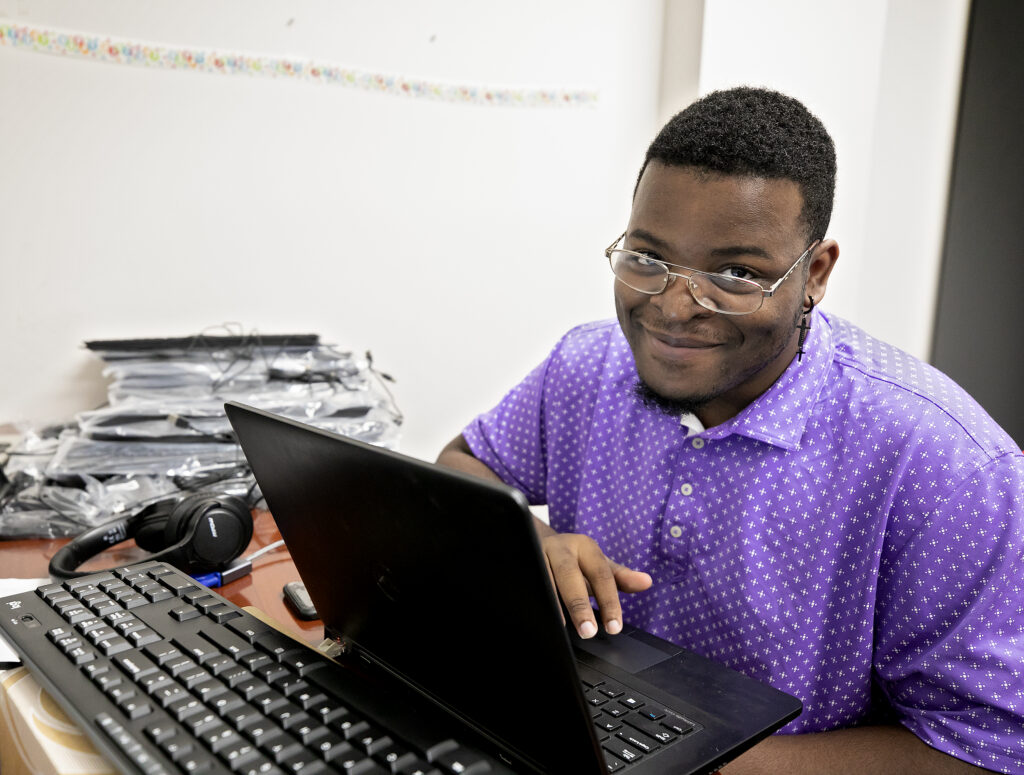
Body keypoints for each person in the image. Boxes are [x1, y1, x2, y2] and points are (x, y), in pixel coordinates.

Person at [436, 87, 1024, 774]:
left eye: (737, 273)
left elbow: (988, 747)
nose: (675, 307)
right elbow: (460, 463)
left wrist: (687, 765)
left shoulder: (947, 468)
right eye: (648, 258)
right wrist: (528, 539)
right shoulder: (587, 365)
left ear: (816, 274)